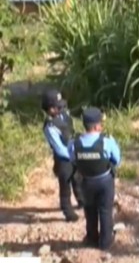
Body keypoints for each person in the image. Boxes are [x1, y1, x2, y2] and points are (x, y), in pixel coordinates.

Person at [68, 107, 121, 250]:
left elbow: (72, 159)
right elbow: (116, 159)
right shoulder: (107, 141)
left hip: (85, 182)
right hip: (104, 182)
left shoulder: (74, 143)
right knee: (105, 211)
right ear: (97, 126)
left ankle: (91, 238)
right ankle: (105, 243)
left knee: (90, 211)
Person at [42, 89, 84, 222]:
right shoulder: (50, 126)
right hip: (63, 160)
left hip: (73, 153)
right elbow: (58, 148)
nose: (61, 108)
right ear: (50, 110)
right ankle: (68, 212)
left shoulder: (65, 115)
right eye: (58, 106)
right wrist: (72, 155)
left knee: (78, 179)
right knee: (65, 187)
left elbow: (72, 130)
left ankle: (82, 200)